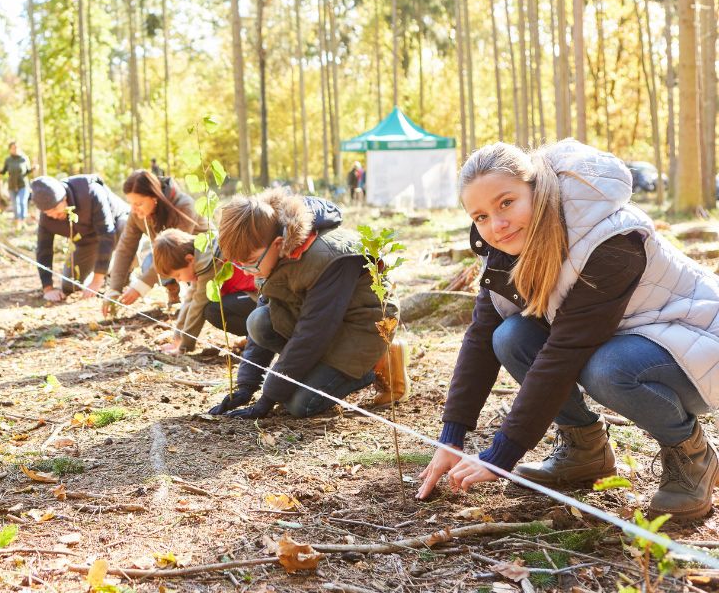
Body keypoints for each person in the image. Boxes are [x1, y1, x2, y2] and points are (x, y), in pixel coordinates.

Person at [416, 141, 719, 521]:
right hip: (628, 338)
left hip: (697, 344)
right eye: (480, 216)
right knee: (509, 336)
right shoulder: (506, 249)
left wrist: (501, 455)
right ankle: (584, 450)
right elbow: (480, 336)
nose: (497, 225)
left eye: (506, 202)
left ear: (537, 188)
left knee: (608, 369)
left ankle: (691, 455)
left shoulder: (610, 239)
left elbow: (565, 351)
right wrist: (452, 437)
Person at [209, 188, 394, 419]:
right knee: (259, 322)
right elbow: (270, 313)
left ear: (278, 243)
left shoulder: (326, 258)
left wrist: (267, 398)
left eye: (249, 263)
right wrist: (246, 386)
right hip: (325, 325)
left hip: (363, 327)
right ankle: (317, 374)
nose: (247, 271)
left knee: (299, 405)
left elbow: (312, 334)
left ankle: (372, 368)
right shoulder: (271, 251)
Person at [103, 169, 208, 316]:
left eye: (139, 203)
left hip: (200, 255)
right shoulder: (137, 214)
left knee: (164, 260)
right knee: (150, 261)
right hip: (173, 256)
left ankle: (203, 298)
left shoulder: (183, 205)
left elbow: (176, 251)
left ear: (155, 197)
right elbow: (125, 247)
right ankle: (174, 293)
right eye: (131, 203)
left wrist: (140, 286)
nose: (133, 209)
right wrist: (114, 288)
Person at [152, 228, 258, 355]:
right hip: (247, 295)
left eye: (178, 275)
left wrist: (184, 346)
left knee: (213, 310)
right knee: (213, 308)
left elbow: (197, 306)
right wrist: (177, 338)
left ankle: (258, 338)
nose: (178, 280)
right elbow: (190, 299)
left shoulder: (208, 262)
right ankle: (254, 337)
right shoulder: (201, 256)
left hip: (260, 297)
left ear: (189, 259)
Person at [32, 175, 130, 302]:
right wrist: (48, 289)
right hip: (86, 241)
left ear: (64, 198)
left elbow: (106, 234)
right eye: (48, 213)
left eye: (56, 209)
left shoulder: (89, 190)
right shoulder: (47, 217)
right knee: (70, 285)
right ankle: (107, 268)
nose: (54, 215)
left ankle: (125, 272)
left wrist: (97, 280)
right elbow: (43, 250)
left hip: (115, 226)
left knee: (125, 225)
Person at [0, 142, 33, 224]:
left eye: (16, 148)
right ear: (10, 149)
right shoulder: (8, 160)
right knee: (15, 204)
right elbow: (4, 171)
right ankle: (17, 220)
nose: (15, 150)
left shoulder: (24, 158)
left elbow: (28, 171)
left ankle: (23, 219)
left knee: (22, 202)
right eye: (13, 148)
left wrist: (34, 168)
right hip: (11, 185)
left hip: (23, 184)